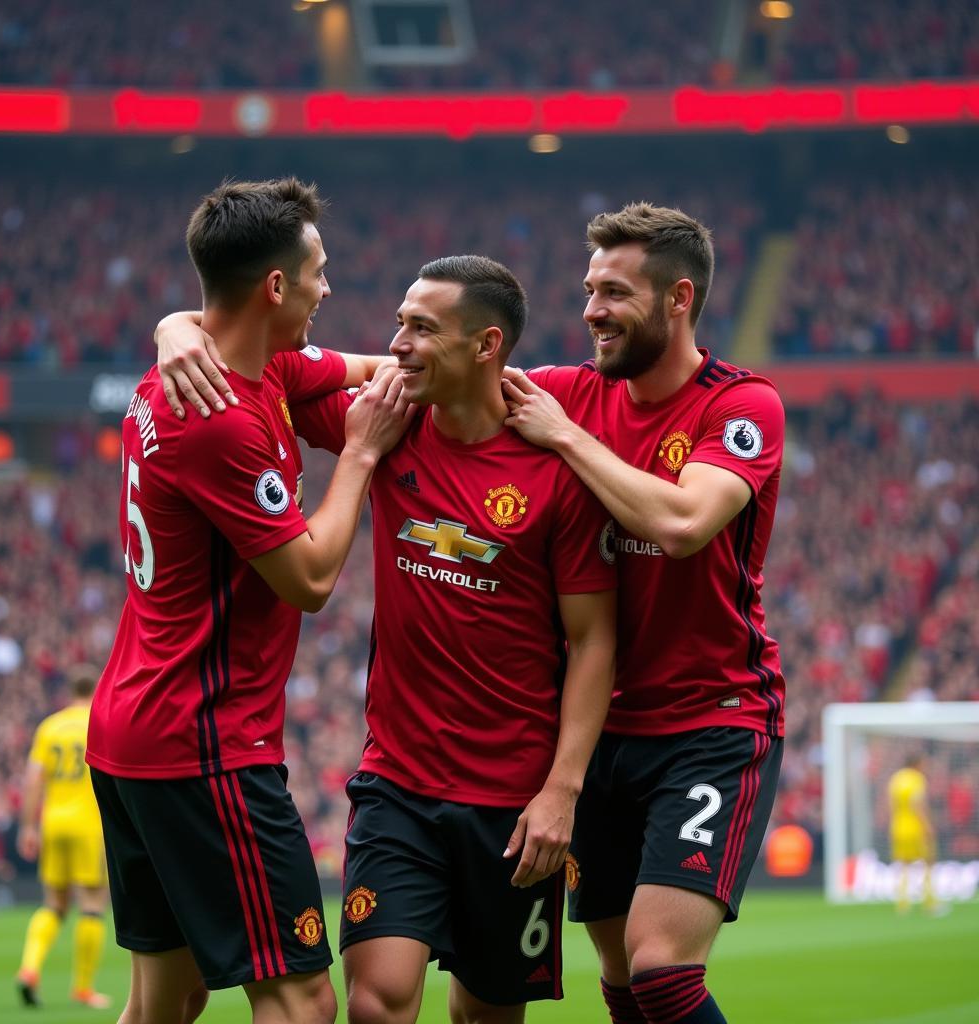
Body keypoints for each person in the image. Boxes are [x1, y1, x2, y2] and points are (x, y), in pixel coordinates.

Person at [158, 254, 618, 1024]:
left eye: (421, 328)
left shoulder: (555, 469)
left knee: (486, 1014)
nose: (397, 343)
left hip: (513, 804)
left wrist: (561, 793)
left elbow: (594, 641)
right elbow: (260, 366)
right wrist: (175, 327)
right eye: (400, 322)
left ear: (486, 345)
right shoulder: (386, 423)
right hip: (397, 789)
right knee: (377, 1002)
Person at [86, 177, 412, 1024]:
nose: (329, 289)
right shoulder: (219, 417)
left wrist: (174, 324)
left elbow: (369, 368)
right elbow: (308, 580)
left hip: (132, 729)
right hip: (205, 744)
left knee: (167, 1000)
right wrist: (362, 458)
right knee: (302, 995)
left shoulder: (201, 374)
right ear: (276, 286)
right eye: (319, 272)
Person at [500, 201, 786, 1024]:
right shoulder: (570, 393)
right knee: (623, 982)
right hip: (600, 735)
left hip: (711, 721)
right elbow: (436, 358)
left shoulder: (741, 406)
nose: (591, 309)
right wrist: (186, 328)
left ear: (678, 299)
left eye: (615, 292)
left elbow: (684, 523)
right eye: (590, 290)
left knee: (664, 975)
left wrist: (564, 439)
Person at [16, 667, 110, 1010]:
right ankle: (83, 989)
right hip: (90, 824)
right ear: (96, 689)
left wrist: (28, 827)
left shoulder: (50, 726)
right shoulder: (101, 721)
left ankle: (29, 970)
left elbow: (32, 780)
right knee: (93, 903)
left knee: (53, 904)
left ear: (70, 691)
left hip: (53, 822)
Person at [888, 754, 940, 914]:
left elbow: (891, 804)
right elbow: (917, 804)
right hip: (916, 827)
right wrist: (927, 825)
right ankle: (930, 902)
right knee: (928, 862)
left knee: (903, 864)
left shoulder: (896, 779)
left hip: (898, 826)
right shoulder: (917, 779)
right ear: (917, 764)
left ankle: (902, 904)